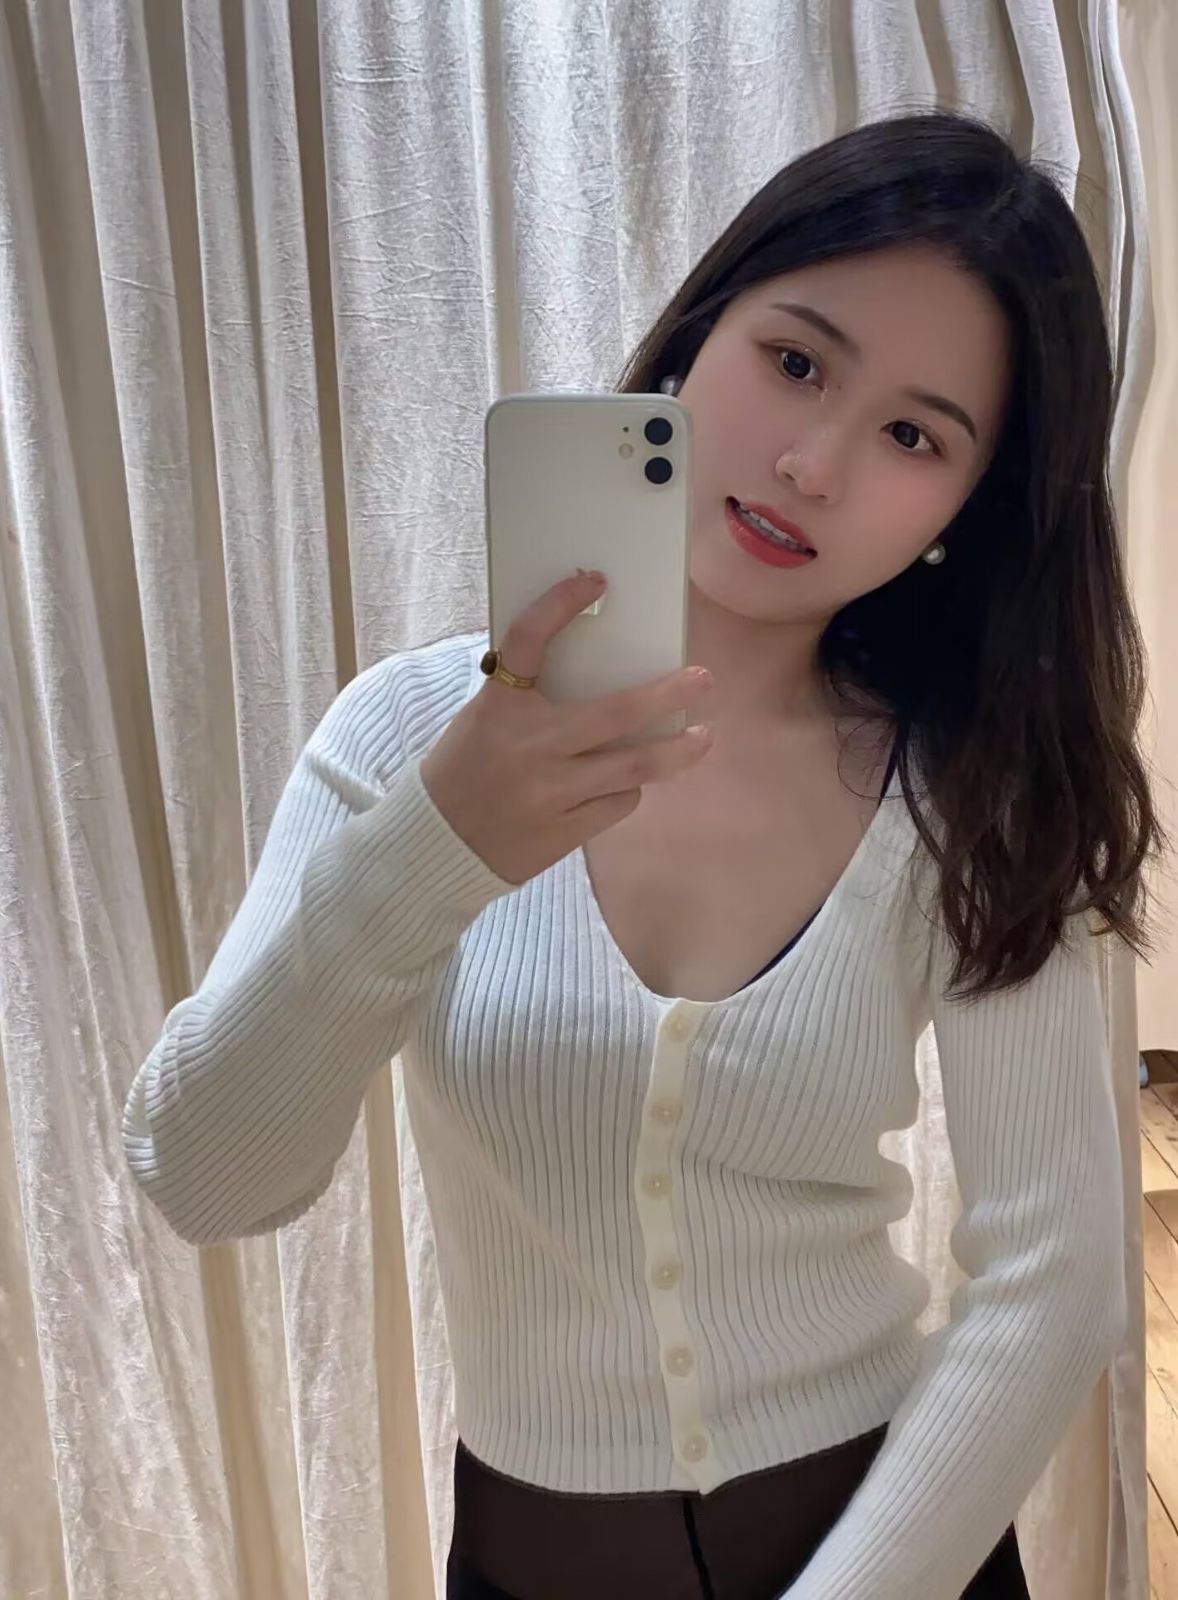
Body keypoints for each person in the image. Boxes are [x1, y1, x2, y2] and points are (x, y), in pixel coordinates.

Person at [123, 112, 1162, 1599]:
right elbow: (202, 1174)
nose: (810, 464)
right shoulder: (411, 733)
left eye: (914, 436)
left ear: (967, 507)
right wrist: (432, 850)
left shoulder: (974, 788)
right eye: (794, 361)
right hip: (535, 1560)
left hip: (893, 1550)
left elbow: (1054, 1280)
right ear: (695, 337)